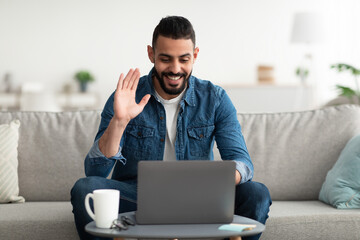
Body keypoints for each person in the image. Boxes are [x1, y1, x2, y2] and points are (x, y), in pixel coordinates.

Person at [71, 16, 271, 240]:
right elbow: (95, 172)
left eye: (184, 59)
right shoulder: (126, 96)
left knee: (257, 193)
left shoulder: (215, 98)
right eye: (165, 59)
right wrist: (119, 121)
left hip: (201, 196)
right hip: (139, 196)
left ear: (195, 55)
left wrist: (215, 184)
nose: (175, 69)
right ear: (151, 54)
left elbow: (243, 162)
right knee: (83, 188)